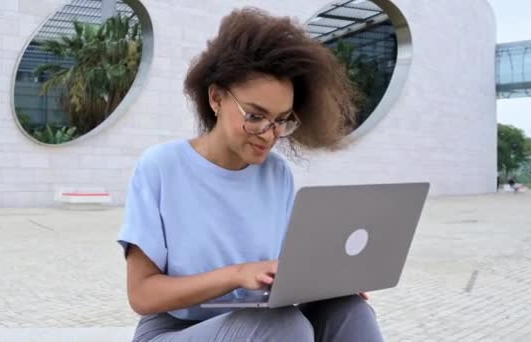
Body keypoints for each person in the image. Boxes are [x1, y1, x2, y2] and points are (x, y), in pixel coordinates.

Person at [118, 7, 384, 342]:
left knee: (349, 310)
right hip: (176, 330)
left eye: (281, 120)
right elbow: (142, 295)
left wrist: (326, 282)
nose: (269, 134)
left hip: (261, 322)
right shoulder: (161, 167)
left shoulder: (277, 175)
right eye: (256, 116)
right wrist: (238, 275)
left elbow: (283, 275)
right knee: (283, 325)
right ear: (216, 98)